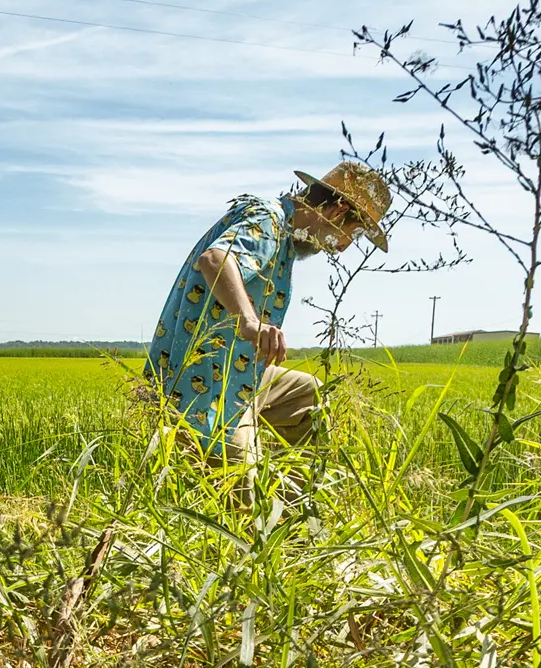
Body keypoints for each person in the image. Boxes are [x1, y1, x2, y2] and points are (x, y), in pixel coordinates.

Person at [146, 161, 391, 461]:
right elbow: (215, 260)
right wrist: (249, 322)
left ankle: (296, 500)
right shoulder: (268, 219)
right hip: (205, 388)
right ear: (337, 212)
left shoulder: (285, 239)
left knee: (311, 395)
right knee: (242, 479)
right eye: (351, 235)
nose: (343, 247)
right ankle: (246, 475)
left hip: (242, 374)